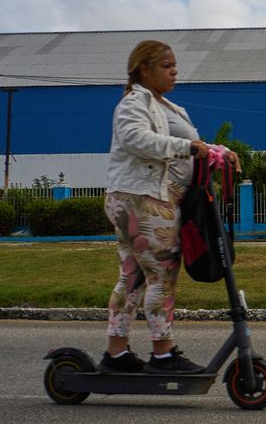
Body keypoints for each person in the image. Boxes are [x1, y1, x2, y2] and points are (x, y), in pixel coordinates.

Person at [100, 40, 241, 374]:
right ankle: (163, 354)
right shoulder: (134, 103)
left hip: (145, 199)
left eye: (174, 65)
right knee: (162, 277)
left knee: (132, 278)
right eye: (166, 65)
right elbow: (137, 140)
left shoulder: (169, 108)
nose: (174, 71)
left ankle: (115, 354)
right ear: (143, 69)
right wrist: (187, 148)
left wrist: (218, 150)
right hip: (143, 199)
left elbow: (192, 145)